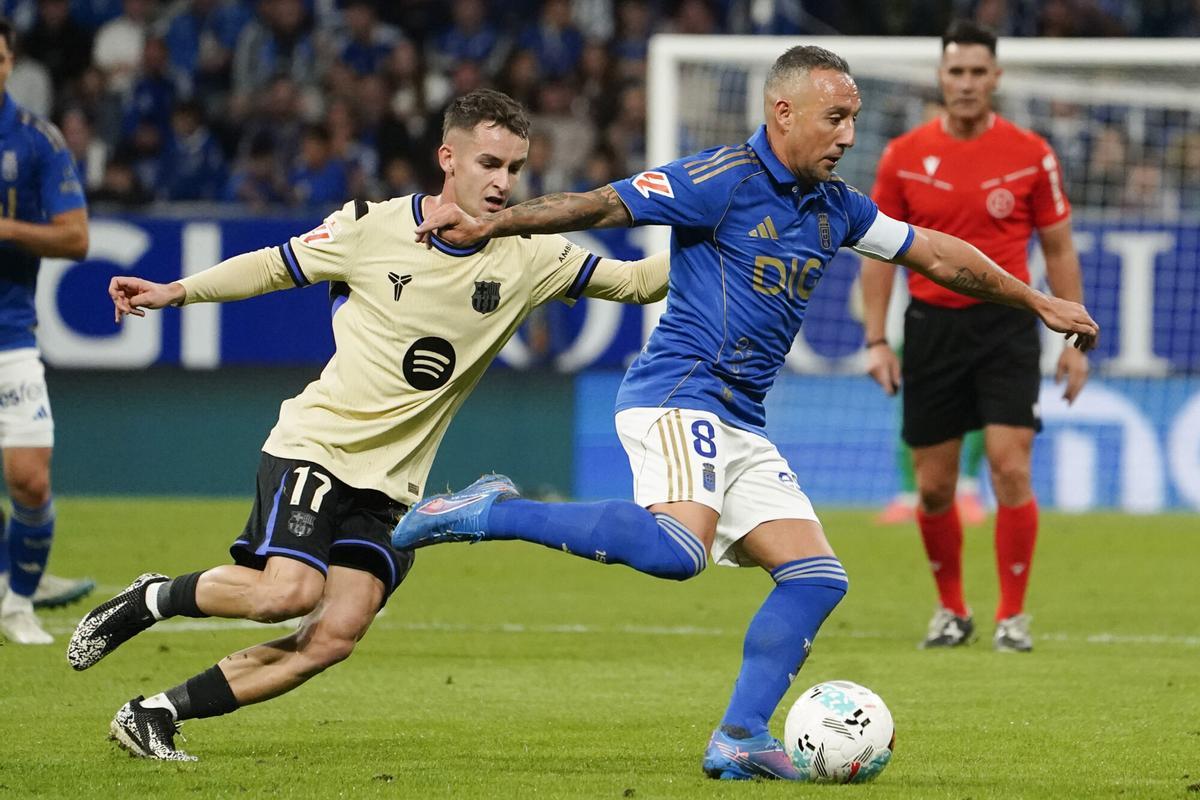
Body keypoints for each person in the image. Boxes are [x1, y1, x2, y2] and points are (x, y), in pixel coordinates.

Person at [391, 45, 1098, 781]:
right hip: (677, 391)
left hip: (740, 418)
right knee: (678, 551)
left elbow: (937, 256)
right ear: (784, 112)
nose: (850, 136)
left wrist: (1036, 300)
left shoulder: (838, 206)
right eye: (836, 118)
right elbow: (600, 203)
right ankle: (489, 511)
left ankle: (740, 736)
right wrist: (497, 226)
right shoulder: (718, 180)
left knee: (817, 578)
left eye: (854, 119)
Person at [67, 89, 670, 762]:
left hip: (392, 488)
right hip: (320, 448)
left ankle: (154, 714)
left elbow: (639, 283)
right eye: (490, 163)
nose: (503, 182)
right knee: (287, 593)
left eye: (515, 168)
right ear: (448, 158)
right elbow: (274, 265)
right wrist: (176, 291)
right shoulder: (370, 226)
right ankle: (153, 597)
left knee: (333, 635)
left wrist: (726, 233)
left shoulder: (531, 256)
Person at [859, 21, 1090, 653]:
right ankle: (952, 611)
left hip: (1007, 327)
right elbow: (877, 255)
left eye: (977, 72)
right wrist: (876, 340)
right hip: (931, 328)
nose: (966, 83)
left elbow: (1059, 248)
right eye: (956, 71)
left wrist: (1074, 343)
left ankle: (1012, 617)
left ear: (996, 78)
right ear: (941, 77)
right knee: (934, 486)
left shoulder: (1031, 152)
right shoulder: (903, 155)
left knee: (1010, 466)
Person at [0, 17, 95, 646]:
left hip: (10, 333)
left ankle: (17, 606)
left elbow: (77, 237)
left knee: (30, 478)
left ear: (10, 63)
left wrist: (6, 230)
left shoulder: (36, 141)